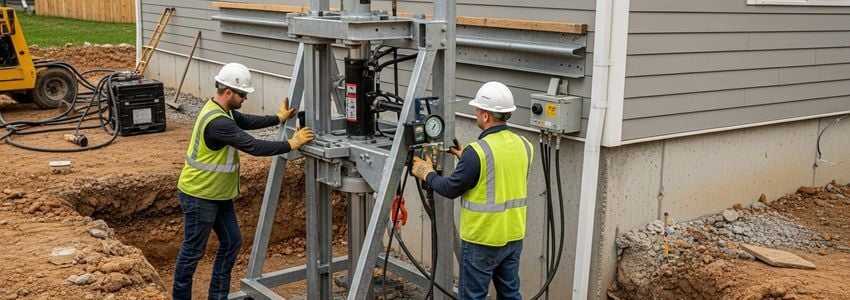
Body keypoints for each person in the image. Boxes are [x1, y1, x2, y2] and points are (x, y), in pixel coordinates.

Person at [172, 63, 315, 300]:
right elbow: (254, 146)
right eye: (243, 94)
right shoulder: (218, 122)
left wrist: (277, 118)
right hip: (199, 195)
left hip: (217, 194)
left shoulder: (221, 109)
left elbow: (245, 120)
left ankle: (217, 297)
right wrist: (292, 143)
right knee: (192, 252)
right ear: (228, 92)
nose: (245, 98)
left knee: (231, 242)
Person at [411, 81, 533, 300]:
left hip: (481, 241)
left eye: (478, 110)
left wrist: (426, 172)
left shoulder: (477, 153)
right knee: (510, 294)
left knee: (474, 297)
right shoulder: (524, 144)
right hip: (513, 237)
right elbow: (501, 171)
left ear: (486, 116)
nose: (476, 114)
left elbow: (449, 188)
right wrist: (465, 158)